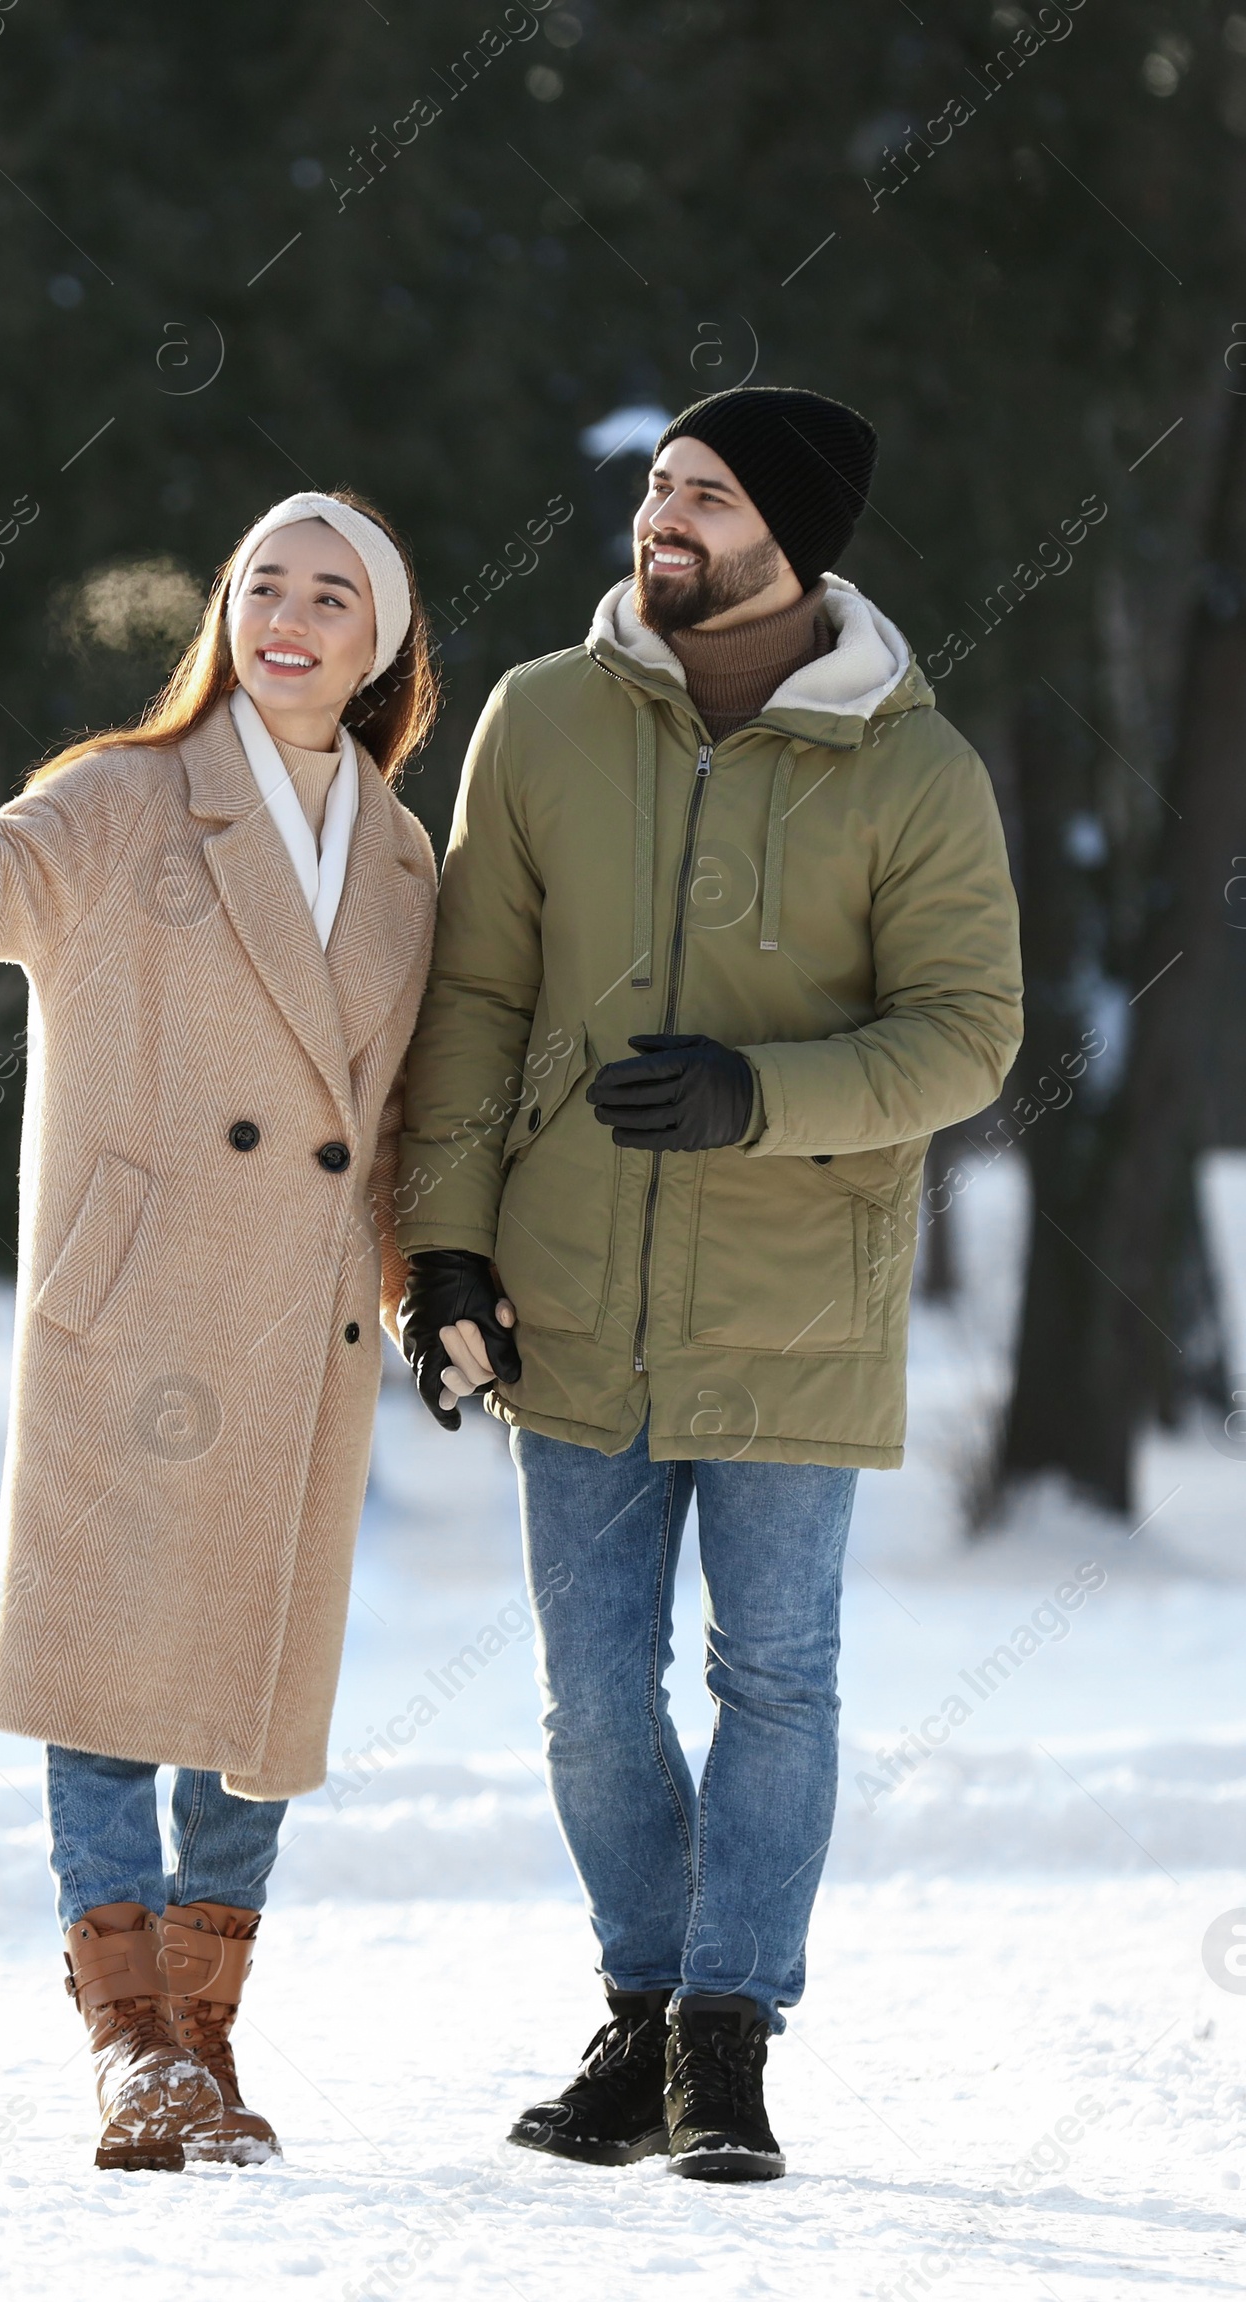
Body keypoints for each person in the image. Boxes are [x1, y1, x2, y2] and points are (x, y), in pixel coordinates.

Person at [396, 387, 1022, 2182]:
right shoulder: (540, 717)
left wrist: (764, 1097)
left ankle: (727, 2035)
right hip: (565, 1287)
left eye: (708, 494)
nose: (663, 516)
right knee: (593, 1694)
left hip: (796, 1297)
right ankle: (645, 2010)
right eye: (659, 485)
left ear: (795, 537)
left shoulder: (914, 768)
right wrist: (445, 1239)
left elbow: (972, 1035)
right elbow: (475, 1002)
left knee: (780, 1676)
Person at [0, 490, 439, 2172]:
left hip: (301, 1337)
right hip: (135, 1307)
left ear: (381, 651)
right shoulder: (120, 791)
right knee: (108, 1670)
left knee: (251, 1690)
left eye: (331, 598)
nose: (287, 616)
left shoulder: (401, 855)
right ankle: (128, 2039)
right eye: (261, 584)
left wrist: (423, 1276)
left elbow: (400, 1115)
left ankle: (207, 2036)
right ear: (224, 609)